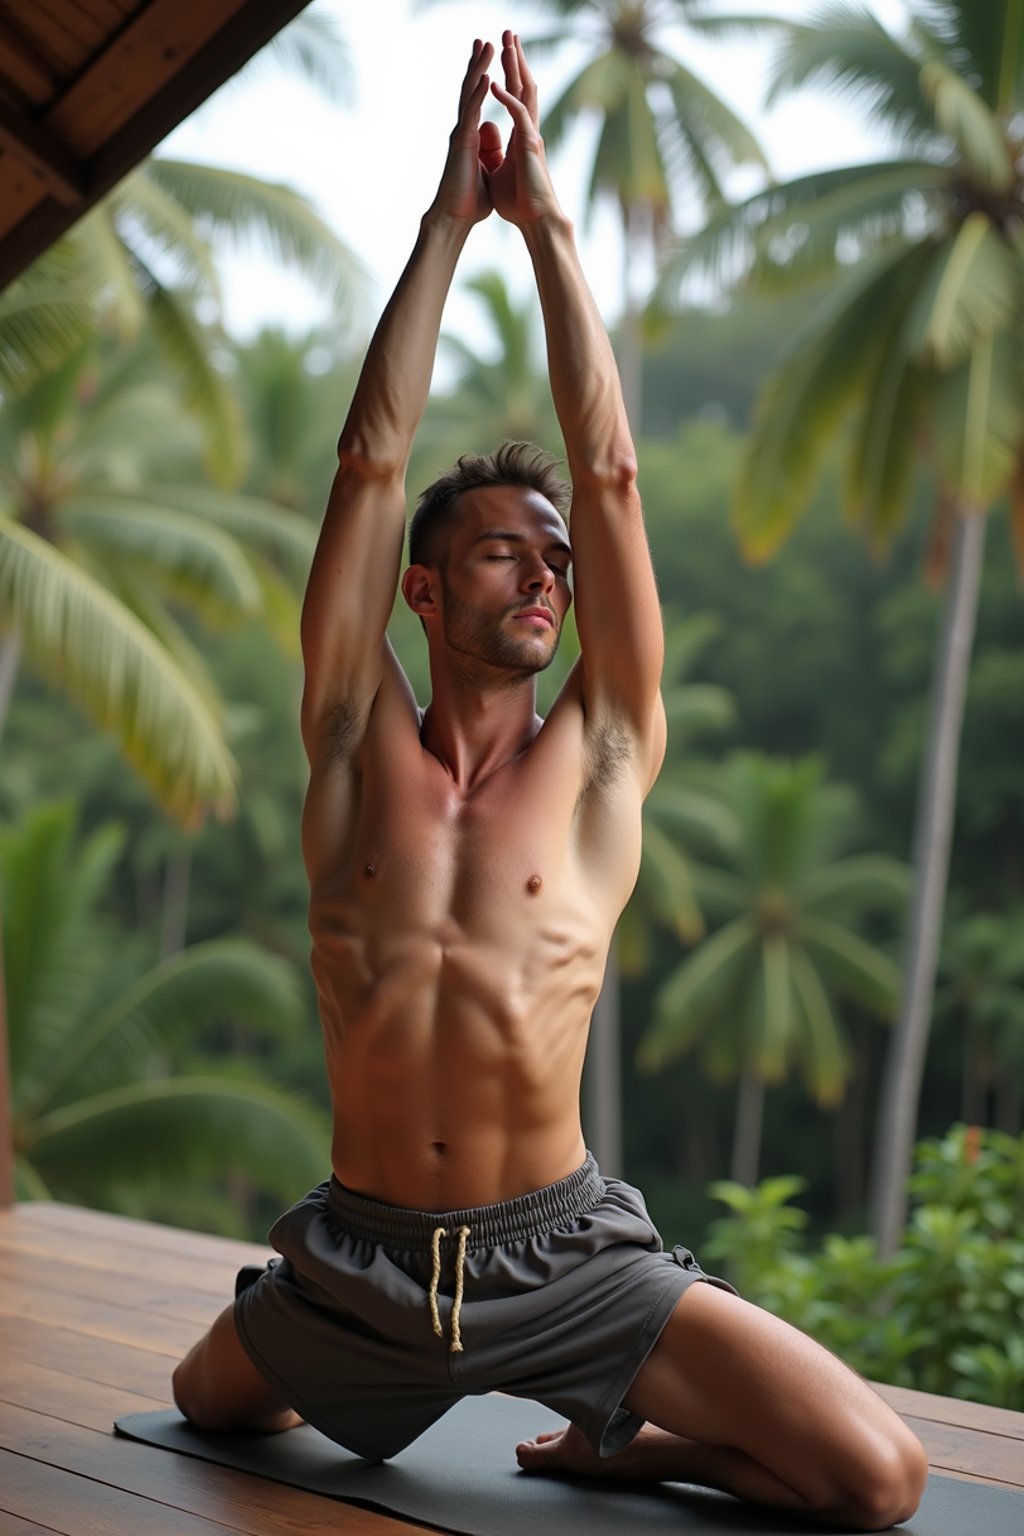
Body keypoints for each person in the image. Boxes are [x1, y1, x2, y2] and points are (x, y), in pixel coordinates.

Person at [172, 33, 928, 1530]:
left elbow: (616, 476)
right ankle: (345, 1333)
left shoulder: (603, 758)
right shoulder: (348, 739)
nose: (549, 573)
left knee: (880, 1482)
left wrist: (556, 235)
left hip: (563, 1256)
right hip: (364, 1258)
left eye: (556, 558)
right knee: (200, 1406)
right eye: (508, 549)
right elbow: (367, 464)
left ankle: (632, 1438)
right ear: (423, 594)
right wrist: (454, 220)